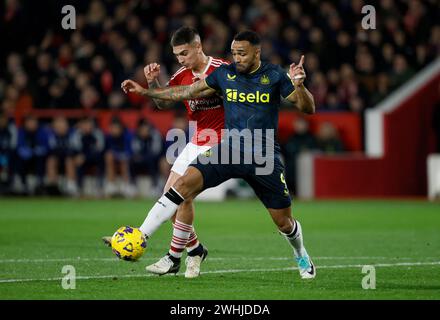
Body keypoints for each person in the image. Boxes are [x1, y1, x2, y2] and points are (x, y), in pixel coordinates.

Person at [121, 30, 316, 280]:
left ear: (257, 52)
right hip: (228, 149)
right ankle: (142, 237)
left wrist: (300, 85)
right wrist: (146, 91)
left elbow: (307, 108)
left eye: (242, 53)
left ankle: (300, 253)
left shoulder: (275, 75)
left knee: (284, 223)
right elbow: (186, 92)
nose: (237, 58)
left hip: (263, 155)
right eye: (234, 53)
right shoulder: (225, 74)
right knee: (181, 186)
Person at [105, 27, 229, 278]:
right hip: (196, 140)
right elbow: (163, 102)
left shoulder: (222, 69)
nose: (181, 59)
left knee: (181, 196)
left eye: (184, 53)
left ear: (198, 46)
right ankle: (194, 250)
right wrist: (153, 83)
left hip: (222, 142)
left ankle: (167, 252)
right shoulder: (182, 75)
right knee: (171, 198)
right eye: (177, 55)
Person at [67, 117, 105, 196]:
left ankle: (100, 187)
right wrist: (79, 156)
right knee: (74, 160)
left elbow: (99, 150)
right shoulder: (76, 134)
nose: (87, 126)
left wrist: (85, 156)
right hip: (81, 159)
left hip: (95, 158)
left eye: (88, 124)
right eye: (84, 124)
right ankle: (77, 187)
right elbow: (73, 149)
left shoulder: (98, 134)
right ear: (81, 125)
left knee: (101, 160)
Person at [103, 117, 134, 198]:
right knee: (109, 156)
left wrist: (117, 155)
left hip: (127, 162)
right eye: (112, 128)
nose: (114, 130)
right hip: (112, 162)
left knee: (123, 161)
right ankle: (111, 185)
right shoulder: (108, 137)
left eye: (116, 128)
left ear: (121, 128)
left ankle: (126, 186)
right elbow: (103, 152)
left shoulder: (127, 137)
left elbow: (129, 153)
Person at [45, 116, 73, 195]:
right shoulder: (51, 136)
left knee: (69, 160)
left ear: (67, 126)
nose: (61, 127)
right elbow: (51, 150)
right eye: (58, 125)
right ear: (54, 127)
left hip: (70, 159)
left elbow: (74, 149)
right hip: (57, 159)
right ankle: (53, 187)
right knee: (51, 160)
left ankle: (71, 187)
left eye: (62, 125)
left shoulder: (72, 134)